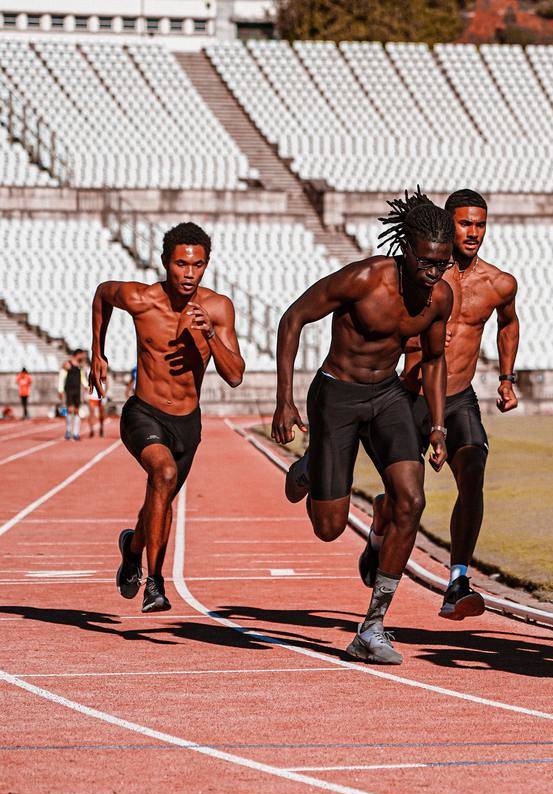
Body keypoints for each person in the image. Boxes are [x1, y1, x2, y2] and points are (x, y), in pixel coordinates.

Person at [273, 189, 454, 665]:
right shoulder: (363, 279)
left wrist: (438, 426)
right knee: (329, 528)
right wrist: (284, 400)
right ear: (406, 250)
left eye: (443, 263)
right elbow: (293, 319)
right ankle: (312, 466)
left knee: (411, 500)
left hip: (388, 395)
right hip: (337, 394)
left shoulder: (440, 297)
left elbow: (435, 359)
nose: (434, 272)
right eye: (426, 261)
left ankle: (372, 627)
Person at [361, 188, 520, 621]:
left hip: (459, 397)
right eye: (465, 223)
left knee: (473, 472)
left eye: (480, 224)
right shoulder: (421, 274)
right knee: (404, 498)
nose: (473, 232)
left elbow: (508, 324)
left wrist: (506, 378)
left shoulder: (499, 283)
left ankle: (458, 581)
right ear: (448, 225)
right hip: (410, 397)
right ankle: (380, 522)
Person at [92, 222, 245, 613]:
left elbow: (234, 375)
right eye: (181, 264)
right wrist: (98, 352)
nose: (189, 273)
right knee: (163, 474)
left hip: (187, 424)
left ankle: (132, 548)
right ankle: (155, 583)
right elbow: (103, 293)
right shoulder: (142, 299)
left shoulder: (218, 308)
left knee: (158, 502)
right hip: (143, 413)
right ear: (165, 262)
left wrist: (210, 335)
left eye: (197, 265)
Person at [59, 350, 89, 441]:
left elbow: (83, 378)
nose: (83, 357)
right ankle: (68, 431)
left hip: (77, 390)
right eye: (82, 355)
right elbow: (62, 377)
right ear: (78, 354)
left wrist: (87, 386)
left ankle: (76, 433)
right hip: (69, 390)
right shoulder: (67, 364)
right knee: (69, 410)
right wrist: (60, 389)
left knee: (76, 411)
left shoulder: (80, 366)